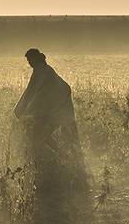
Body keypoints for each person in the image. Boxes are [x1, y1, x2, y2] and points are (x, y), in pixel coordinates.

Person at [14, 48, 87, 192]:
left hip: (58, 106)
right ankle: (61, 156)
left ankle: (56, 161)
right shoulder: (45, 69)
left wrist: (19, 110)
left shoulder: (41, 70)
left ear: (35, 59)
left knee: (38, 136)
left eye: (30, 60)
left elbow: (31, 91)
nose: (29, 63)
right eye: (28, 61)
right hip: (56, 106)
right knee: (40, 134)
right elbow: (35, 92)